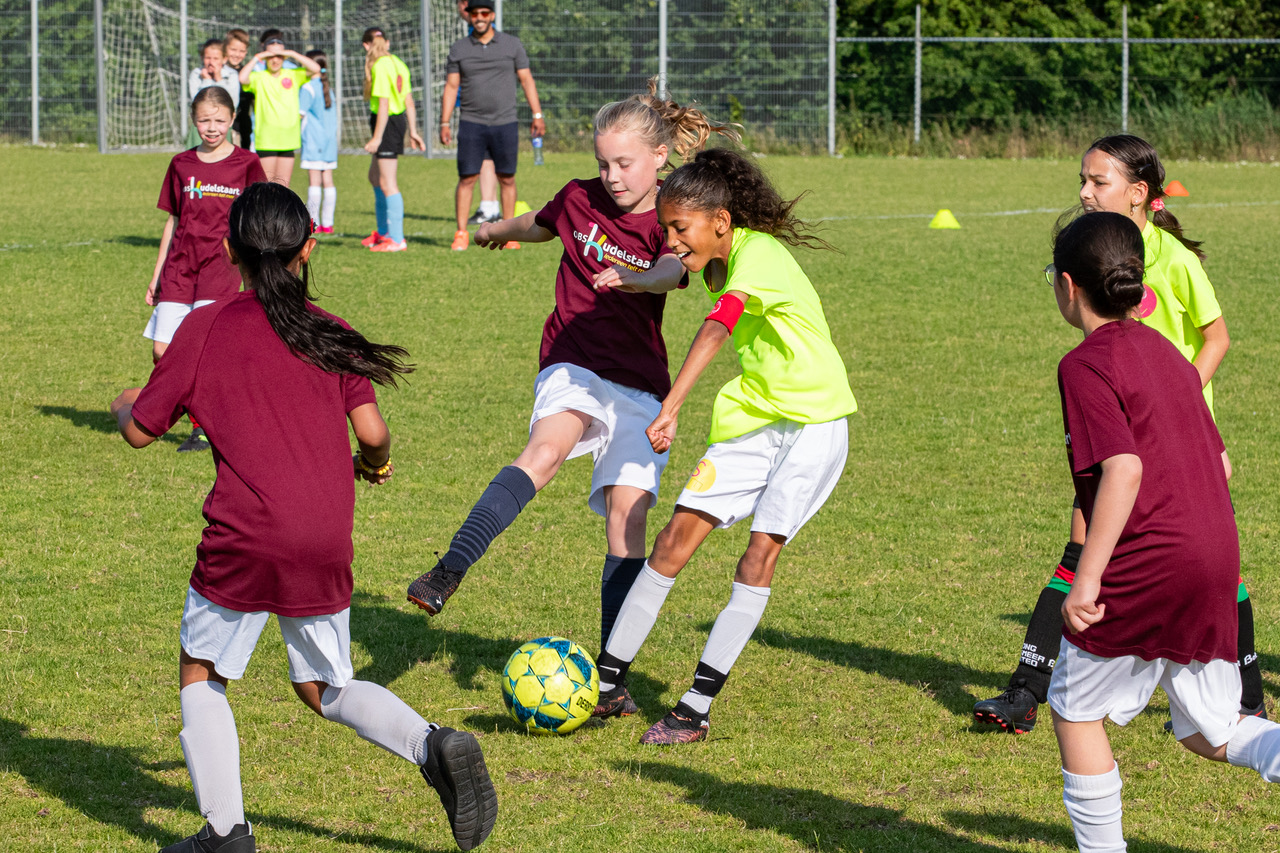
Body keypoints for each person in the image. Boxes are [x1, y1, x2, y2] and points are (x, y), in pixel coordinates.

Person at [111, 182, 497, 853]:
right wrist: (373, 464)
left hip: (245, 534)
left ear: (230, 249)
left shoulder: (204, 327)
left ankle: (226, 834)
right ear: (308, 247)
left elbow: (142, 430)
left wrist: (124, 403)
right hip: (323, 537)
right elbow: (373, 431)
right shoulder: (330, 331)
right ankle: (433, 744)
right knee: (325, 684)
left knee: (202, 671)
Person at [406, 85, 737, 669]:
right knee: (547, 448)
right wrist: (493, 231)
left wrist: (635, 279)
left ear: (660, 157)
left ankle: (613, 675)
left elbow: (668, 270)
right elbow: (542, 222)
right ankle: (448, 568)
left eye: (624, 163)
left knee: (627, 518)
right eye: (603, 163)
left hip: (639, 381)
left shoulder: (670, 219)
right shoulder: (580, 198)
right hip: (573, 357)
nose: (611, 176)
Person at [973, 133, 1264, 735]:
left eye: (1097, 182)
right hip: (1122, 428)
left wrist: (1181, 392)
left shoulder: (1173, 260)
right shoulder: (1092, 250)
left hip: (1178, 436)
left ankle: (1249, 701)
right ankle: (1028, 690)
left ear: (1139, 193)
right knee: (1082, 544)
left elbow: (1217, 338)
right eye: (1082, 180)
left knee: (1206, 563)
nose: (1084, 191)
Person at [592, 148, 857, 744]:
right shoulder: (723, 253)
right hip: (754, 419)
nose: (671, 239)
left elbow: (718, 326)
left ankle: (694, 707)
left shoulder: (760, 254)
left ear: (722, 220)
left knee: (757, 555)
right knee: (673, 539)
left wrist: (671, 405)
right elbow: (684, 272)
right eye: (666, 228)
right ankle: (608, 683)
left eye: (679, 228)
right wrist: (641, 274)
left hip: (813, 425)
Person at [1042, 210, 1280, 852]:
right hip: (1213, 556)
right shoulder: (1171, 355)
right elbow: (1221, 463)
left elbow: (1122, 468)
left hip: (1150, 561)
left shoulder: (1085, 365)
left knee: (1074, 710)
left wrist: (1085, 580)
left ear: (1068, 287)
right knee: (1211, 730)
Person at [145, 87, 266, 453]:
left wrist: (257, 270)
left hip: (222, 268)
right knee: (162, 351)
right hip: (180, 268)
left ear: (231, 120)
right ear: (193, 120)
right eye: (203, 120)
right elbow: (173, 221)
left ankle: (204, 427)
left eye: (218, 120)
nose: (211, 128)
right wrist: (156, 275)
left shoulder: (246, 164)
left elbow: (257, 219)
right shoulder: (181, 163)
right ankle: (197, 416)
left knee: (206, 349)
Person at [441, 0, 544, 251]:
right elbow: (451, 86)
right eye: (475, 13)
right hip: (471, 122)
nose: (479, 17)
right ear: (469, 15)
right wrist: (444, 122)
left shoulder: (511, 44)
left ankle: (508, 234)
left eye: (484, 13)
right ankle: (461, 233)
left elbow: (526, 80)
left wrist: (538, 114)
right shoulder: (459, 48)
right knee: (467, 178)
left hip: (505, 122)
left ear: (492, 15)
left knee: (507, 178)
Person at [359, 27, 425, 253]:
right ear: (386, 43)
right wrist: (414, 130)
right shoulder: (398, 62)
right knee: (375, 178)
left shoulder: (380, 65)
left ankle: (397, 239)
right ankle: (384, 233)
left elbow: (385, 105)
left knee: (388, 183)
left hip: (386, 125)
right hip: (394, 123)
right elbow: (409, 102)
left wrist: (377, 138)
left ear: (366, 46)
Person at [238, 33, 320, 186]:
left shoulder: (293, 75)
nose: (275, 60)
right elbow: (242, 78)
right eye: (271, 56)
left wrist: (292, 54)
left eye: (279, 56)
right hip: (267, 140)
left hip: (288, 139)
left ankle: (278, 212)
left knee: (283, 188)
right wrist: (258, 57)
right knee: (265, 187)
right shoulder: (259, 77)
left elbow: (316, 69)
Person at [453, 0, 501, 226]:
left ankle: (490, 207)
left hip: (484, 109)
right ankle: (489, 206)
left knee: (486, 161)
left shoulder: (481, 32)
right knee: (485, 159)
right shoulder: (468, 37)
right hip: (474, 104)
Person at [299, 49, 338, 235]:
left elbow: (300, 114)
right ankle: (328, 224)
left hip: (314, 140)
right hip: (329, 142)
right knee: (327, 181)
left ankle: (313, 222)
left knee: (314, 181)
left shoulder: (307, 88)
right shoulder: (328, 88)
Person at [186, 39, 240, 147]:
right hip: (201, 126)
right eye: (208, 58)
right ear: (202, 58)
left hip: (222, 126)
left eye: (215, 58)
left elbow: (233, 102)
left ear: (224, 59)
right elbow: (197, 102)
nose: (211, 62)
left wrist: (218, 79)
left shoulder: (231, 75)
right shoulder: (196, 74)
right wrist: (206, 80)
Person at [223, 30, 252, 148]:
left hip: (244, 127)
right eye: (233, 50)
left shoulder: (247, 73)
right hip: (224, 126)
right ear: (225, 48)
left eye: (242, 51)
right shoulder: (219, 71)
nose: (237, 54)